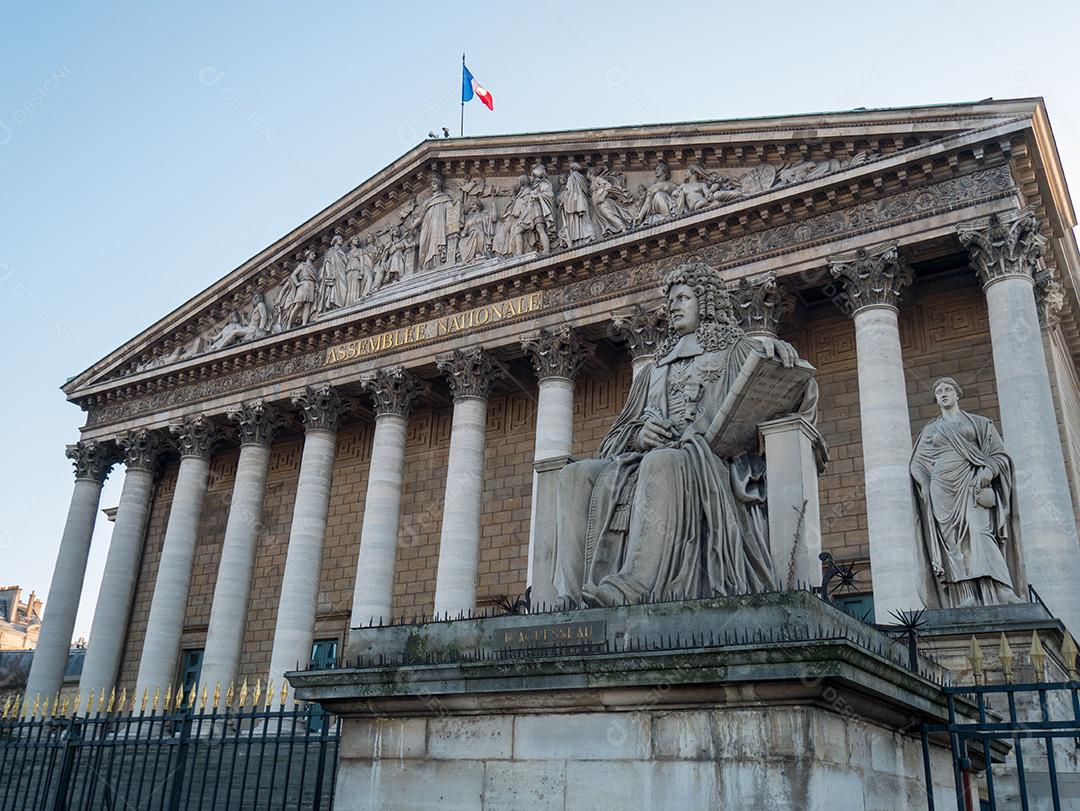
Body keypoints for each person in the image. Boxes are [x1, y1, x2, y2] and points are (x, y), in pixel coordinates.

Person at [553, 260, 815, 607]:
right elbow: (616, 438)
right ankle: (569, 597)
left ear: (705, 302)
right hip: (644, 460)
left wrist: (785, 356)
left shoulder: (737, 351)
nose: (673, 306)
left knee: (662, 462)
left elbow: (795, 393)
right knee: (575, 475)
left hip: (710, 463)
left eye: (683, 298)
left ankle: (637, 584)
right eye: (671, 300)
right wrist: (639, 435)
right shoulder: (653, 370)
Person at [911, 377, 1022, 607]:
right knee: (952, 542)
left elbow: (1000, 455)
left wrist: (988, 472)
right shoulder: (931, 429)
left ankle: (1002, 589)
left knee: (981, 532)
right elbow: (917, 463)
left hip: (973, 483)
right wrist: (925, 485)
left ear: (957, 394)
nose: (943, 394)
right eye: (939, 391)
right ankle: (965, 595)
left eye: (948, 389)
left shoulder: (980, 423)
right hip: (941, 487)